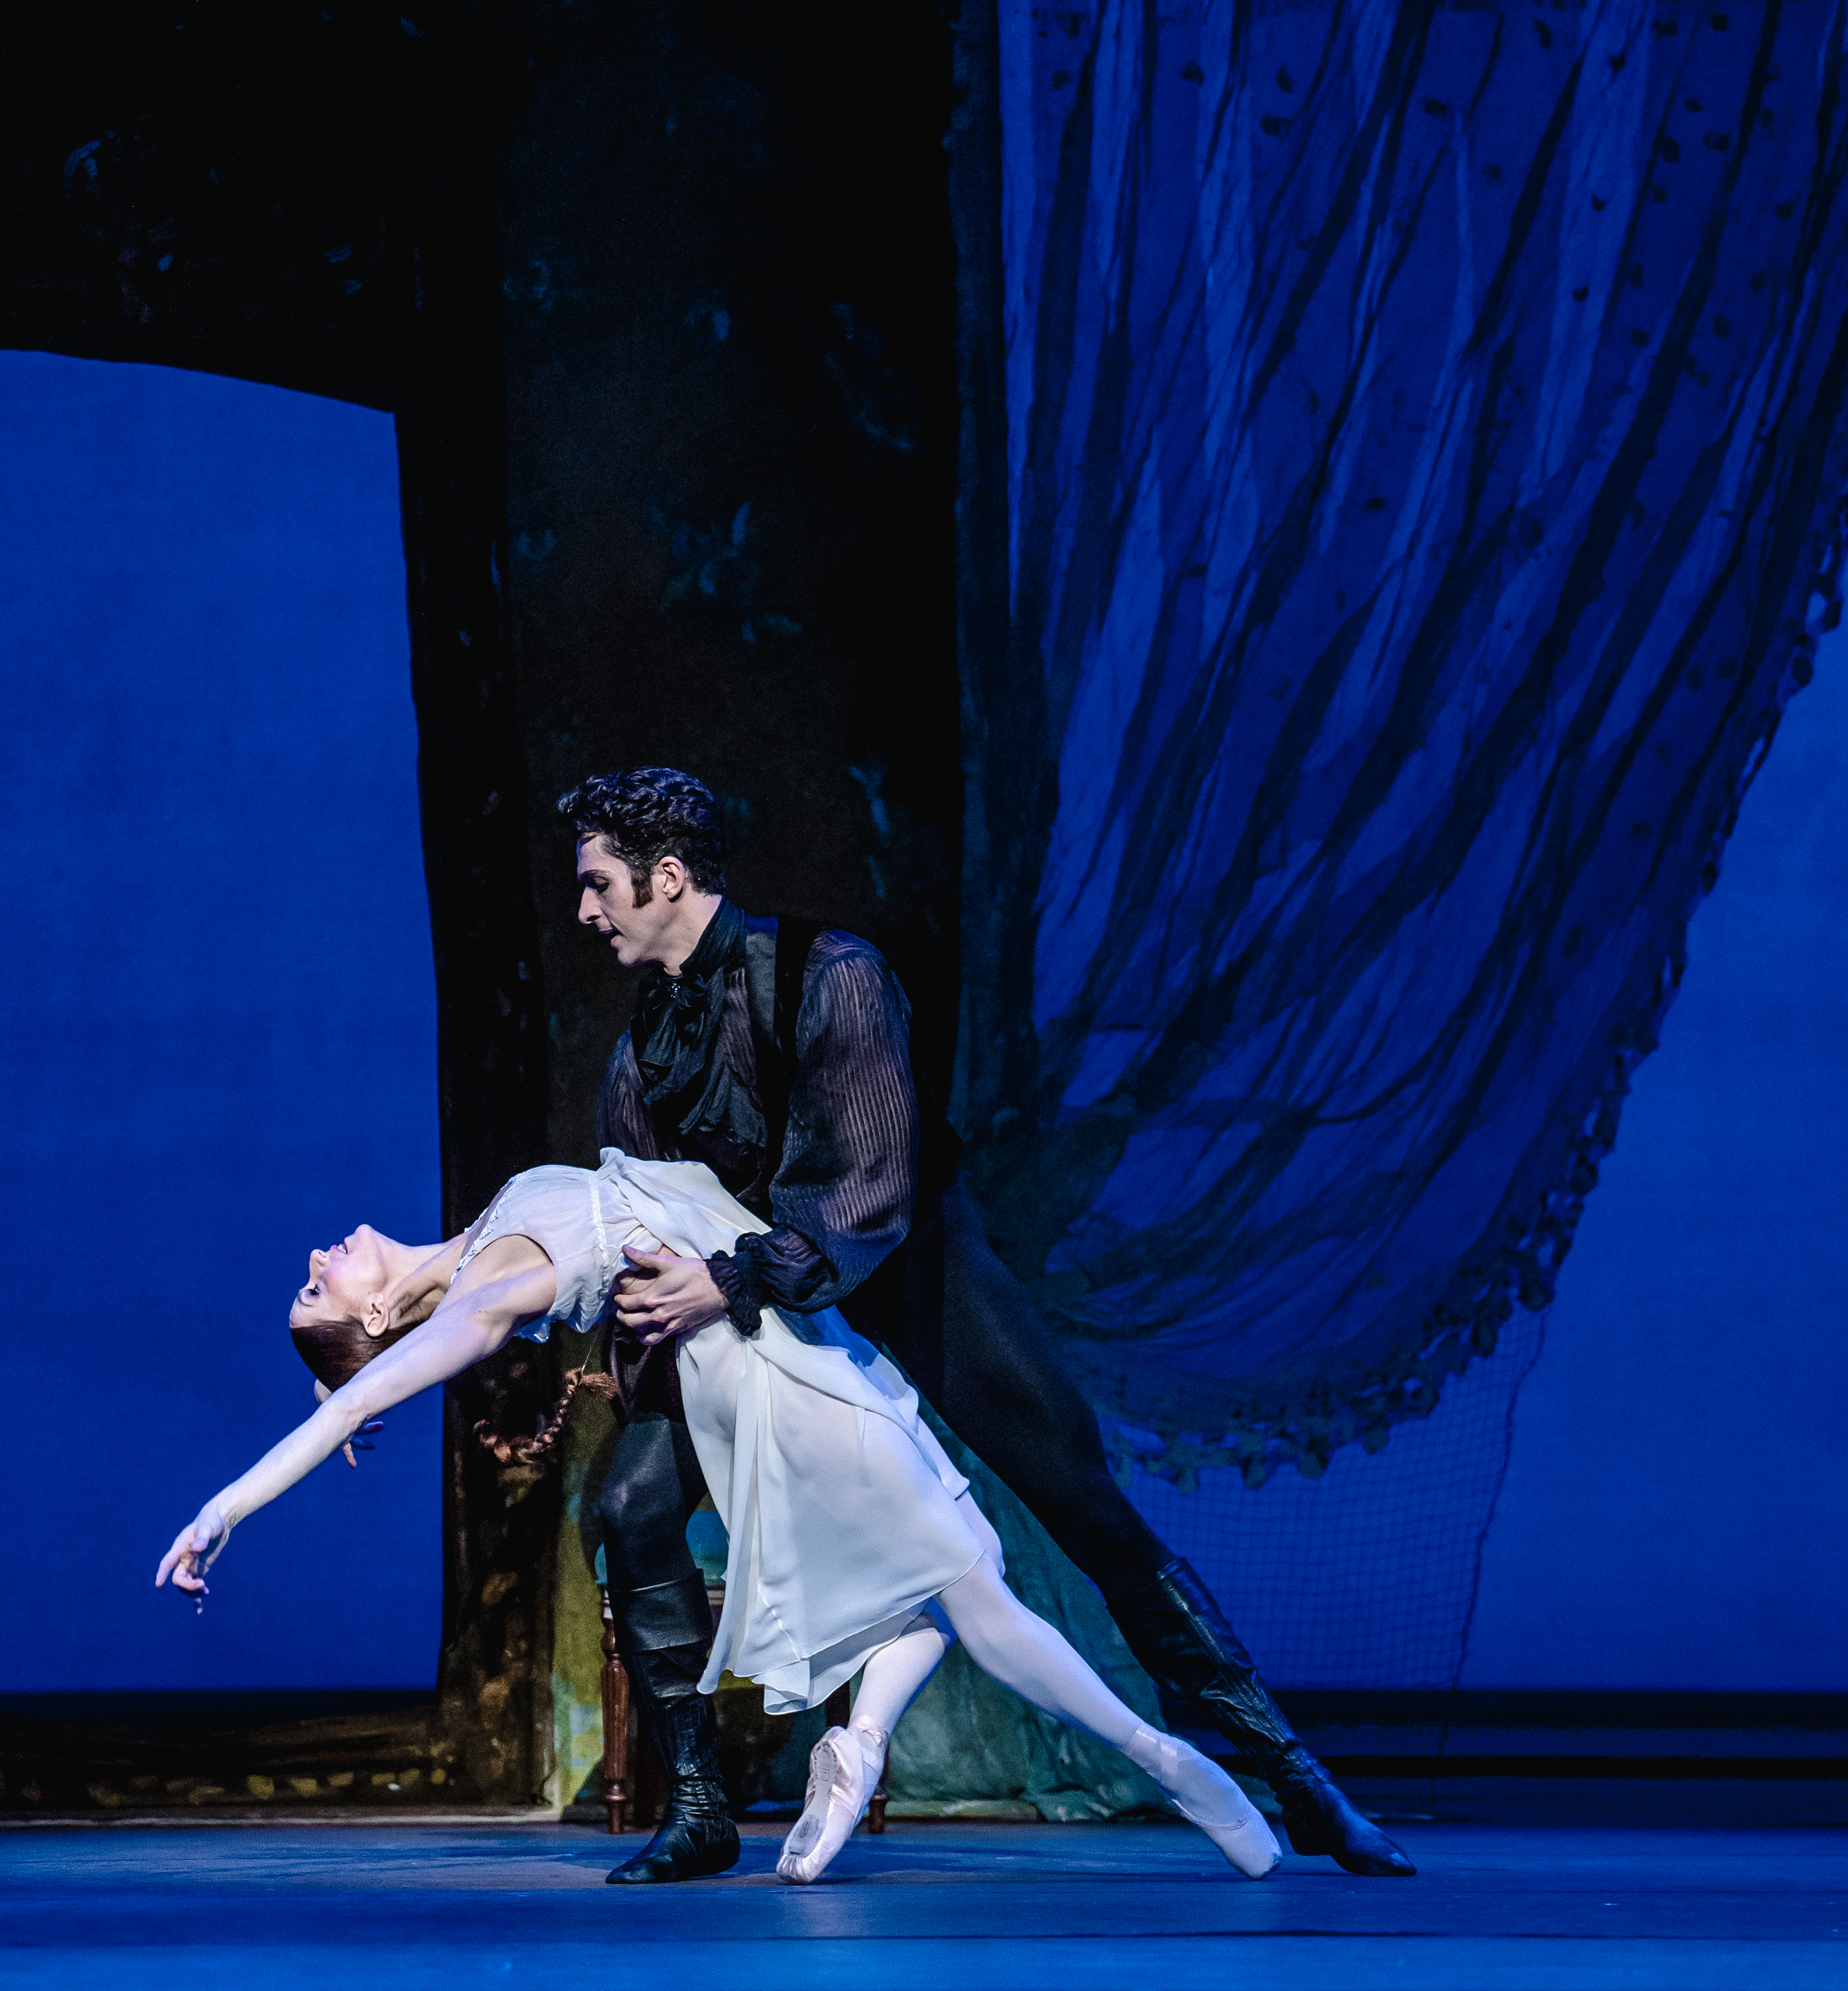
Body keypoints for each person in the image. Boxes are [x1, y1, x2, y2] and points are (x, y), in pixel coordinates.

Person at [564, 767, 1413, 1884]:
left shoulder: (833, 975)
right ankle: (701, 1809)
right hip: (750, 1304)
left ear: (666, 877)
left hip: (908, 1270)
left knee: (1085, 1506)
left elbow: (865, 1189)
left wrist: (723, 1278)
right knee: (626, 1500)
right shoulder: (647, 1049)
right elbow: (628, 1216)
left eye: (599, 884)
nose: (584, 912)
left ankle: (1295, 1776)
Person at [152, 1148, 1284, 1885]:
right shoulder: (494, 1285)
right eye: (318, 1290)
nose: (316, 1255)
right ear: (375, 1325)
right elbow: (372, 1384)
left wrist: (315, 1394)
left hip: (776, 1357)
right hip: (771, 1373)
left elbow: (355, 1381)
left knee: (940, 1578)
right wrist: (229, 1502)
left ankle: (858, 1748)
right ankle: (1169, 1760)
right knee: (973, 1591)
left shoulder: (476, 1242)